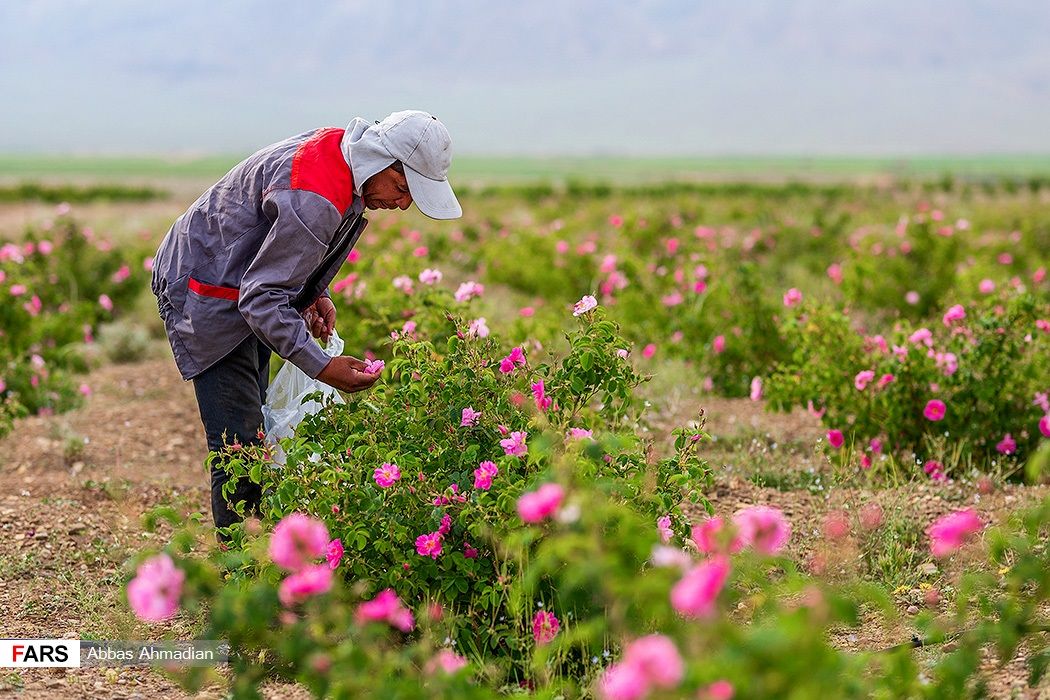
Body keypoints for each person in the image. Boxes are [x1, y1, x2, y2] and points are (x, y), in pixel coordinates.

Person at [150, 110, 462, 538]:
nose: (403, 204)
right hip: (206, 290)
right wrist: (321, 366)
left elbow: (279, 254)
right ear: (380, 162)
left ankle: (258, 557)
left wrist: (314, 291)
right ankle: (240, 574)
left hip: (235, 283)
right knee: (237, 445)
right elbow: (260, 296)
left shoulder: (344, 158)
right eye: (403, 187)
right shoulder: (317, 195)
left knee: (252, 430)